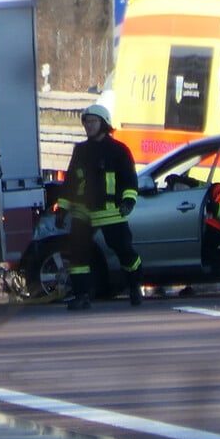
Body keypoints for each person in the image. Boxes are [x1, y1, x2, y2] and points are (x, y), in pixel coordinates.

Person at [56, 103, 142, 310]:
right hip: (82, 212)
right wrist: (63, 209)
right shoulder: (80, 151)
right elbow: (70, 183)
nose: (88, 125)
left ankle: (134, 287)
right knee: (78, 255)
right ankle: (81, 296)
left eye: (93, 121)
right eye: (86, 122)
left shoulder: (118, 150)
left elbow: (129, 180)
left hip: (111, 212)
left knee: (124, 251)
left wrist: (128, 201)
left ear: (104, 123)